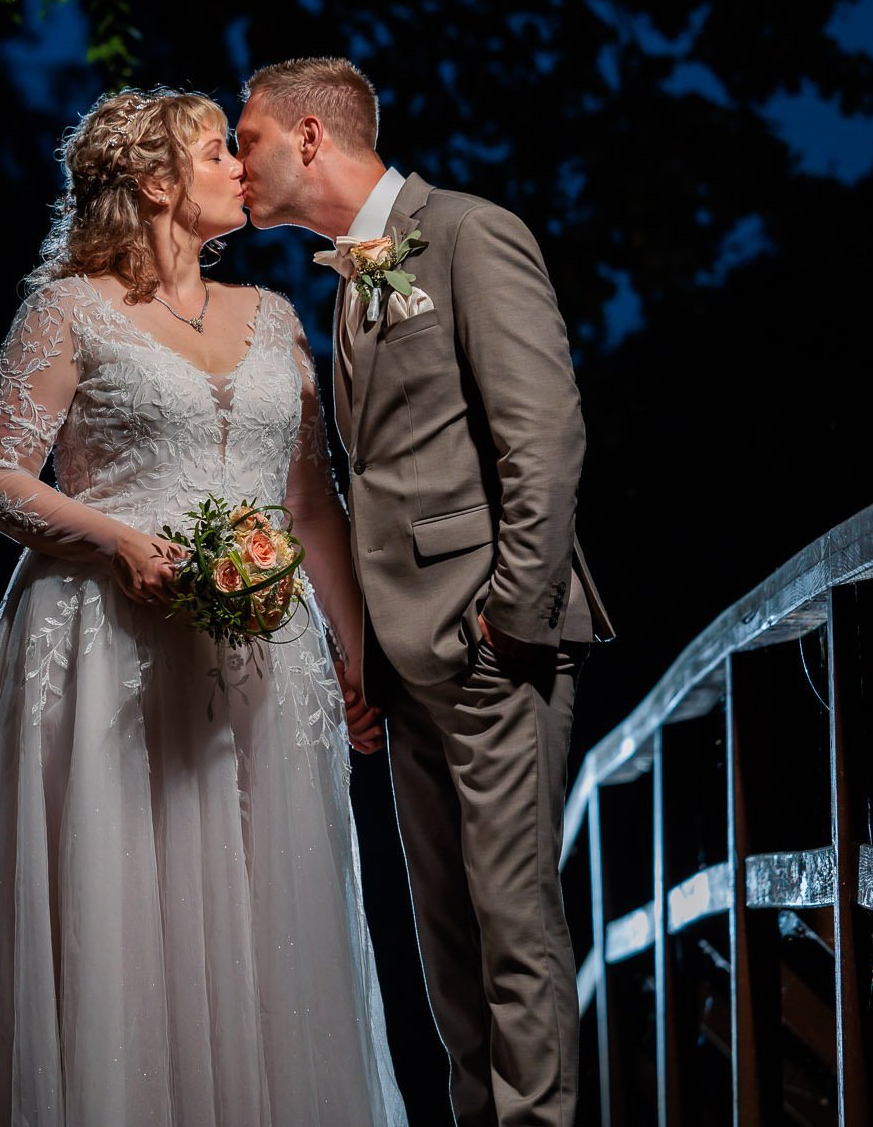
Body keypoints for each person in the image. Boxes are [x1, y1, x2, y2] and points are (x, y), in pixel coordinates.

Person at [0, 87, 405, 1126]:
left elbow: (311, 508)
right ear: (154, 182)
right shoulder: (67, 309)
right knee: (118, 915)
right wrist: (114, 540)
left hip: (261, 663)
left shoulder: (276, 319)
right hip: (106, 644)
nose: (242, 167)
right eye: (212, 152)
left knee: (254, 920)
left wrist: (354, 653)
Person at [237, 56, 614, 1127]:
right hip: (405, 673)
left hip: (493, 650)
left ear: (310, 137)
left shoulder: (465, 235)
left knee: (513, 938)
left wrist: (508, 615)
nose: (237, 159)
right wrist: (360, 654)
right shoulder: (350, 278)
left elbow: (543, 441)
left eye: (248, 135)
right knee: (450, 965)